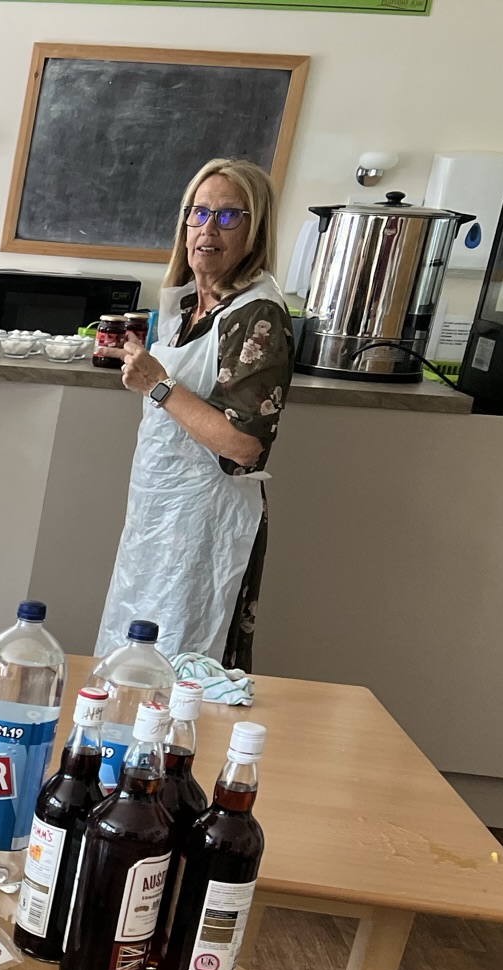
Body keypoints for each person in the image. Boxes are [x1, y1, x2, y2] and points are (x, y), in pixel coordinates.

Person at [95, 157, 293, 669]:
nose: (209, 229)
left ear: (255, 230)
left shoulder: (258, 315)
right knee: (133, 652)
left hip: (208, 526)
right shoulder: (188, 305)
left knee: (184, 668)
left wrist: (158, 385)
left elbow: (244, 445)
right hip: (157, 515)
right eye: (199, 213)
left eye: (229, 216)